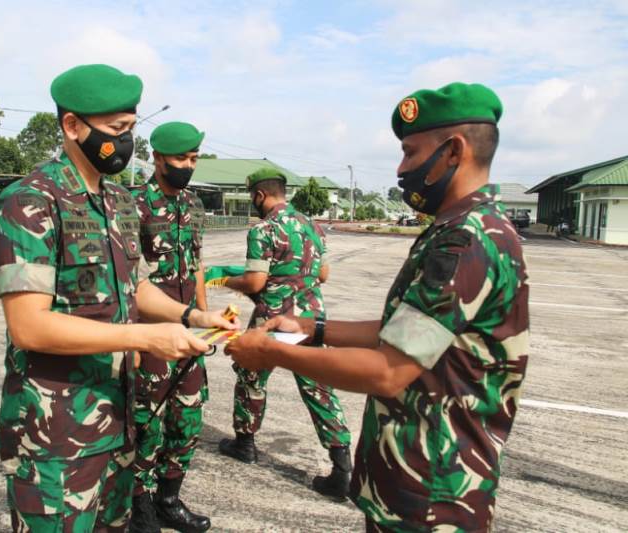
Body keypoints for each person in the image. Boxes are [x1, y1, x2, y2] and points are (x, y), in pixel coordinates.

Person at [225, 82, 530, 532]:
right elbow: (404, 330)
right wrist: (315, 329)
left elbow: (388, 371)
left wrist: (269, 351)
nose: (401, 167)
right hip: (413, 478)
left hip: (435, 491)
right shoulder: (459, 227)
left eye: (410, 151)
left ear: (453, 151)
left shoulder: (467, 240)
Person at [0, 64, 237, 533]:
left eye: (131, 130)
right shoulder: (30, 201)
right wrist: (145, 337)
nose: (127, 142)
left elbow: (133, 285)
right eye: (117, 130)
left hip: (118, 417)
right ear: (72, 125)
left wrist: (191, 315)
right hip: (55, 432)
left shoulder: (119, 201)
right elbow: (29, 326)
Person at [216, 168, 353, 500]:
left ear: (259, 195)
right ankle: (342, 468)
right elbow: (323, 273)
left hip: (272, 321)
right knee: (318, 387)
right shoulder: (313, 225)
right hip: (309, 320)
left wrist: (223, 279)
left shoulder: (263, 230)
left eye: (252, 198)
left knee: (250, 377)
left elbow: (254, 283)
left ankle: (245, 444)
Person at [129, 121, 212, 533]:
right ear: (158, 157)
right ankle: (139, 504)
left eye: (194, 158)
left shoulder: (194, 206)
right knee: (146, 420)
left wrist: (205, 323)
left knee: (188, 418)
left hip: (190, 331)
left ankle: (169, 498)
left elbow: (196, 267)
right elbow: (128, 280)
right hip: (150, 334)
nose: (188, 165)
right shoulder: (133, 205)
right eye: (181, 158)